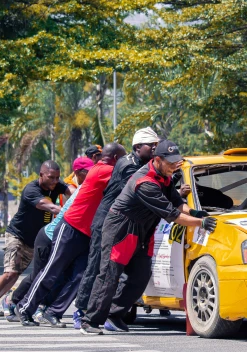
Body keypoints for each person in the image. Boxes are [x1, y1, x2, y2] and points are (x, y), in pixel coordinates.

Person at [80, 140, 217, 335]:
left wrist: (196, 214)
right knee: (109, 275)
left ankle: (115, 314)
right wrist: (200, 224)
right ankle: (90, 321)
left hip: (143, 230)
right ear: (158, 160)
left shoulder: (165, 177)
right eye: (170, 162)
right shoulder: (144, 182)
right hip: (121, 229)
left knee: (141, 276)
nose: (174, 166)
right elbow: (172, 215)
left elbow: (178, 204)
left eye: (176, 161)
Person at [16, 143, 126, 327]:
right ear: (115, 158)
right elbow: (131, 179)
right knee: (52, 270)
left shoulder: (108, 170)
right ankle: (25, 307)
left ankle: (53, 311)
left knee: (80, 276)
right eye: (122, 158)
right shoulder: (103, 170)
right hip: (71, 227)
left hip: (87, 233)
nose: (124, 162)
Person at [72, 127, 160, 327]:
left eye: (157, 145)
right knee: (98, 268)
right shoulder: (126, 164)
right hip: (107, 223)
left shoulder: (148, 165)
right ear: (138, 147)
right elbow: (144, 188)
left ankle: (113, 312)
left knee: (137, 273)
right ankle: (83, 311)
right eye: (152, 146)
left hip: (128, 226)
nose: (156, 149)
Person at [0, 160, 73, 318]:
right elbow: (50, 207)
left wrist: (79, 196)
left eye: (57, 178)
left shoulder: (57, 184)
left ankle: (11, 300)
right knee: (11, 273)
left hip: (36, 239)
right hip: (17, 235)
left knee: (35, 274)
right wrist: (72, 211)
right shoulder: (31, 189)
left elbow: (72, 191)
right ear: (41, 175)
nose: (55, 181)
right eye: (51, 177)